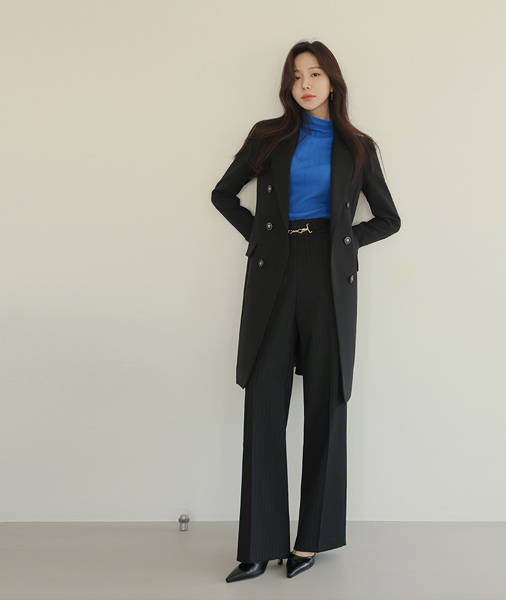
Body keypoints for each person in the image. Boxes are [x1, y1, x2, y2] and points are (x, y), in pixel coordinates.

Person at [211, 40, 400, 583]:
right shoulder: (267, 136)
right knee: (264, 403)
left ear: (332, 81)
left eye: (315, 74)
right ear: (287, 86)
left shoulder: (357, 146)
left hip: (328, 274)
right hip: (274, 271)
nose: (306, 84)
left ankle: (310, 539)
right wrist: (262, 239)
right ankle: (258, 544)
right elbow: (224, 194)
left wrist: (346, 241)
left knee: (325, 402)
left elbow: (388, 217)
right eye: (296, 76)